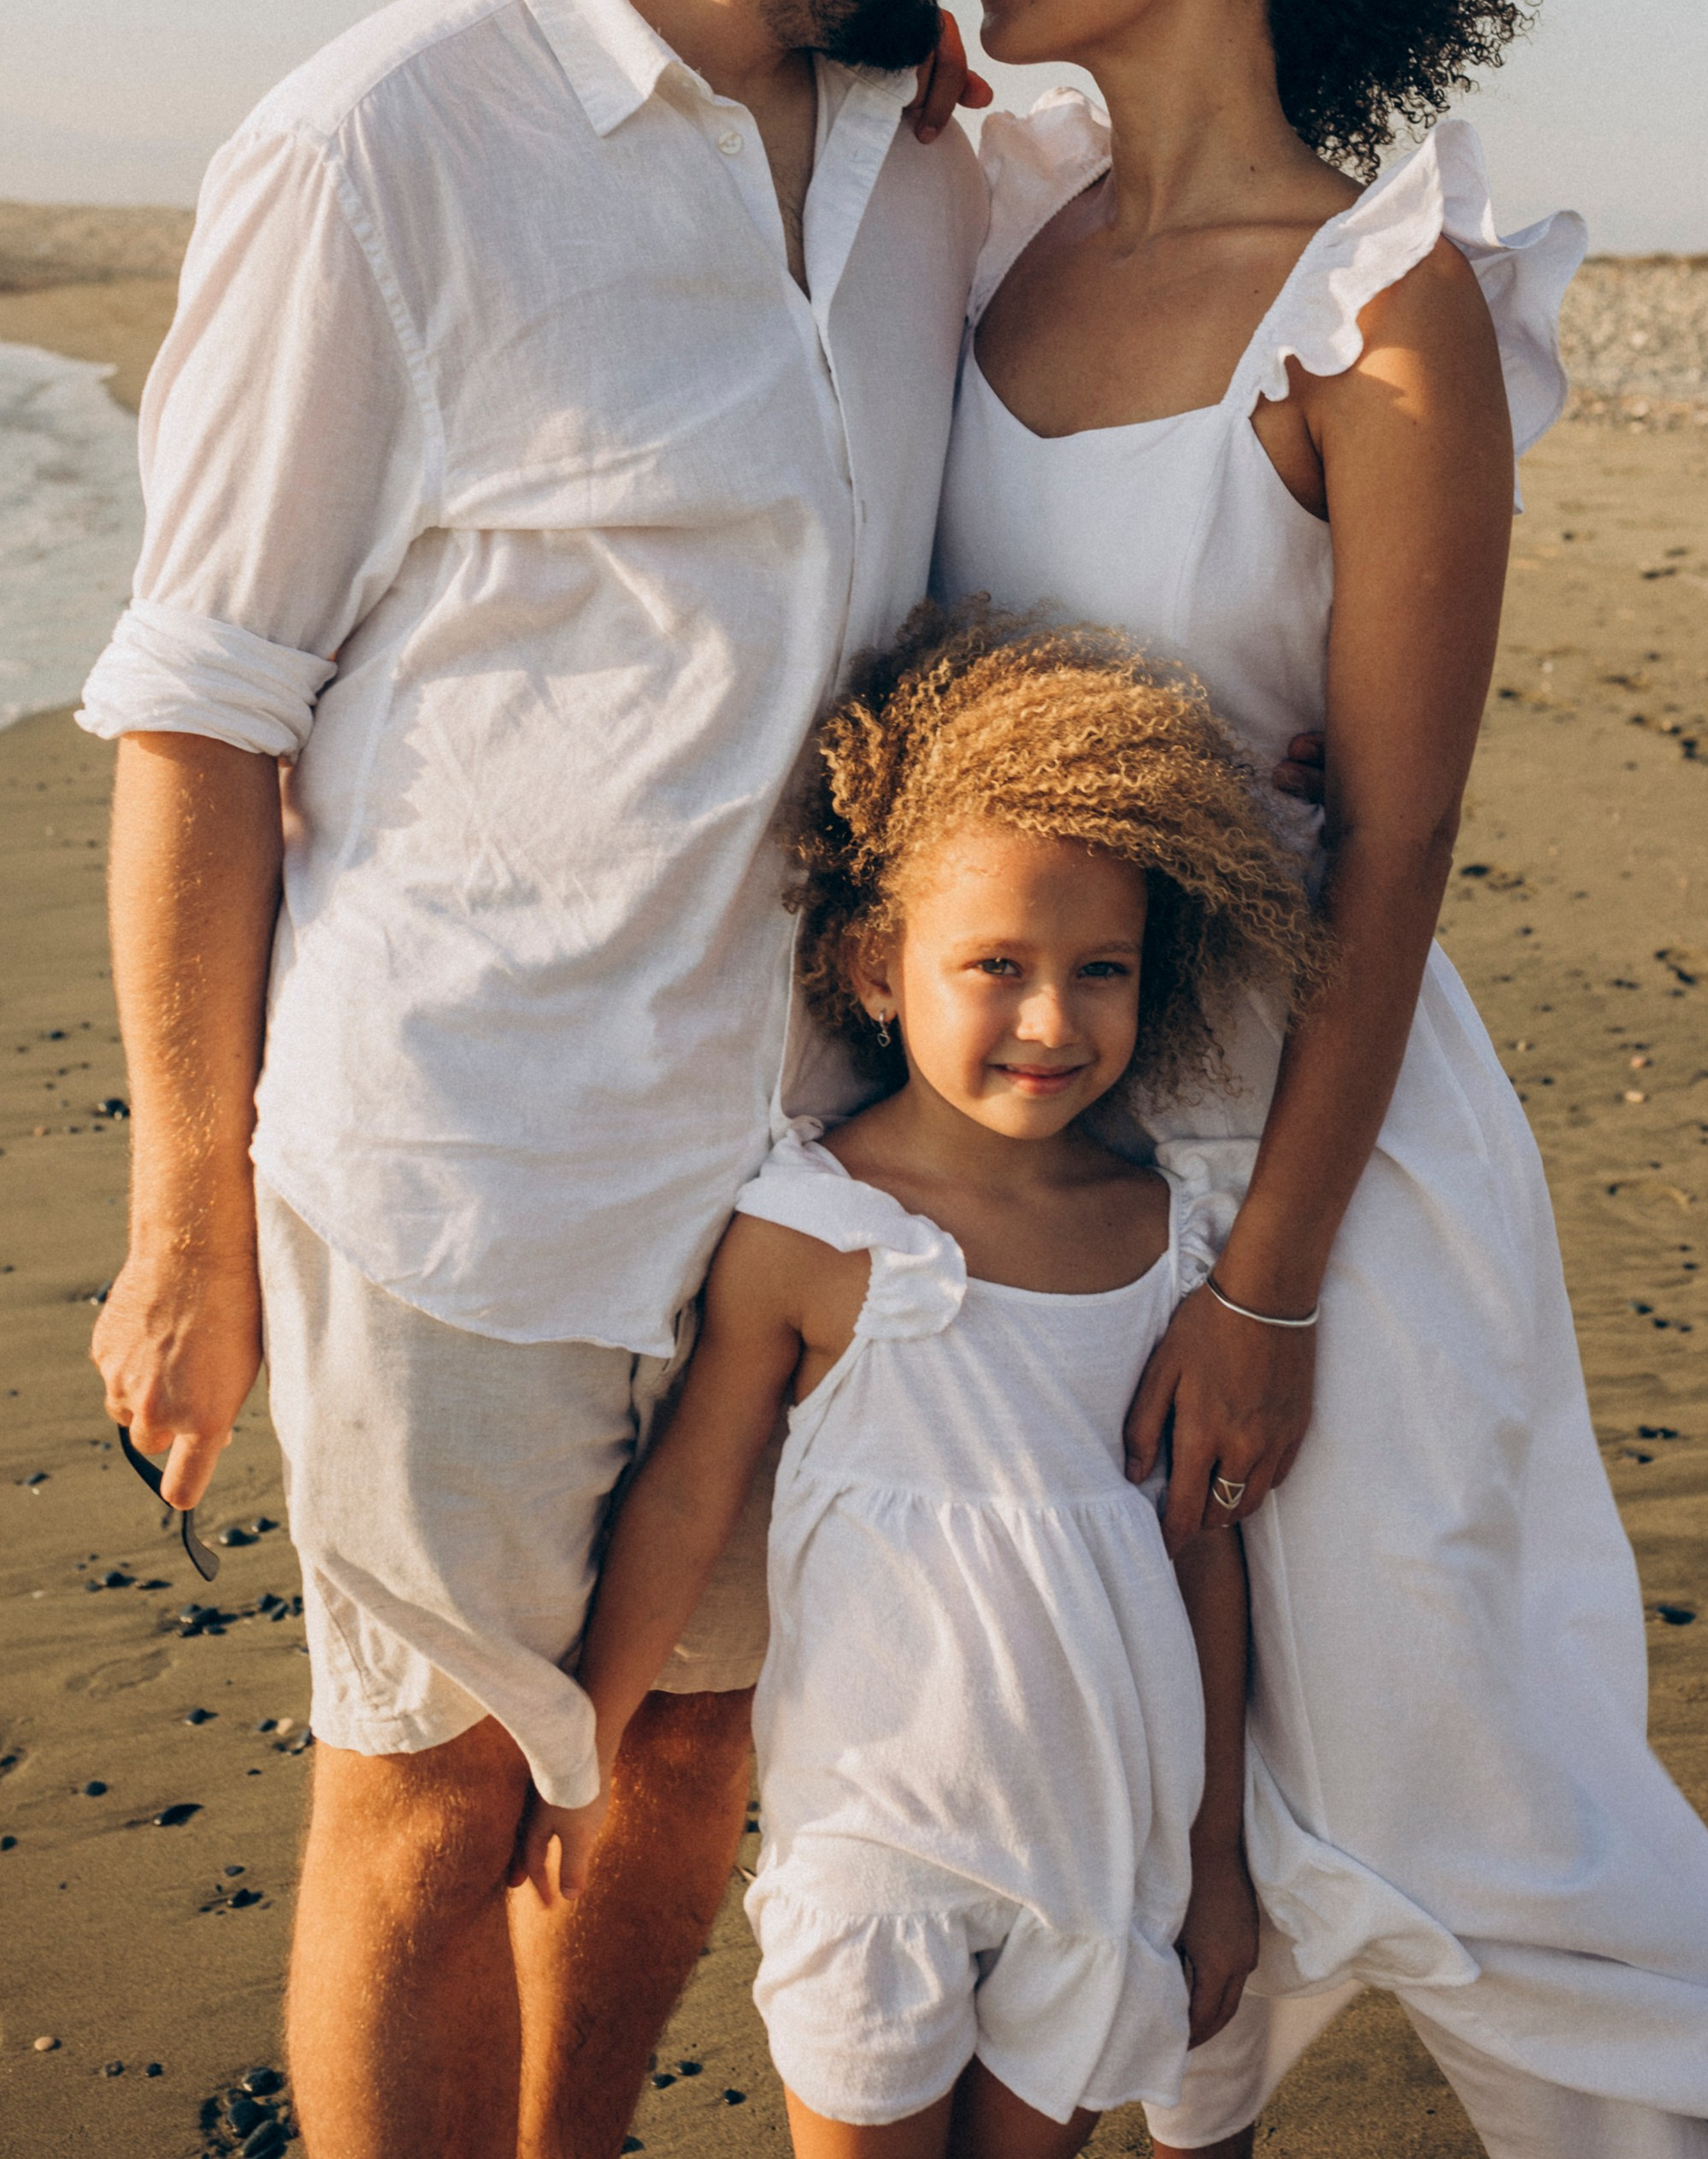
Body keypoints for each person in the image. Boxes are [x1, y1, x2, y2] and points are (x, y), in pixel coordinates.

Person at [76, 0, 1077, 2159]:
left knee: (679, 1773)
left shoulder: (928, 166)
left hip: (790, 1185)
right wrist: (187, 1219)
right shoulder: (381, 145)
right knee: (429, 1803)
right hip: (457, 1181)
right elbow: (198, 708)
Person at [934, 0, 1708, 2158]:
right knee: (1115, 1839)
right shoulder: (979, 213)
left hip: (1310, 1168)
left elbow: (1397, 839)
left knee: (1449, 1798)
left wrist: (1266, 1282)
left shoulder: (1382, 315)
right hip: (1005, 1152)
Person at [515, 608, 1328, 2158]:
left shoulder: (1168, 1245)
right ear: (878, 967)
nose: (1050, 1020)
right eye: (993, 967)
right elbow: (691, 1493)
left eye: (1101, 970)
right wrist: (585, 1747)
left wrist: (1215, 1858)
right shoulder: (815, 1229)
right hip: (876, 1847)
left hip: (1107, 1856)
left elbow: (1200, 1547)